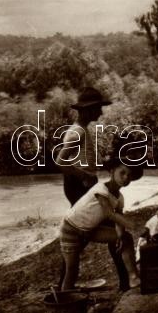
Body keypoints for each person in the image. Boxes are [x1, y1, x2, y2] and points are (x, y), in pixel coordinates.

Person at [54, 87, 131, 290]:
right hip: (79, 185)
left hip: (84, 184)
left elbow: (78, 160)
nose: (101, 112)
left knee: (84, 233)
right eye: (98, 108)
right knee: (91, 231)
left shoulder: (81, 129)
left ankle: (64, 284)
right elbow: (60, 161)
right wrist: (85, 176)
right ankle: (126, 280)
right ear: (88, 109)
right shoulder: (77, 131)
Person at [59, 158, 145, 291]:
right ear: (112, 171)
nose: (125, 178)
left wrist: (120, 236)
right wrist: (133, 224)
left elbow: (118, 218)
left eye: (129, 175)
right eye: (122, 173)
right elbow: (110, 214)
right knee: (72, 270)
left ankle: (133, 277)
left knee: (126, 238)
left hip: (90, 230)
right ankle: (65, 300)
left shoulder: (119, 198)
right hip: (71, 229)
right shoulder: (101, 189)